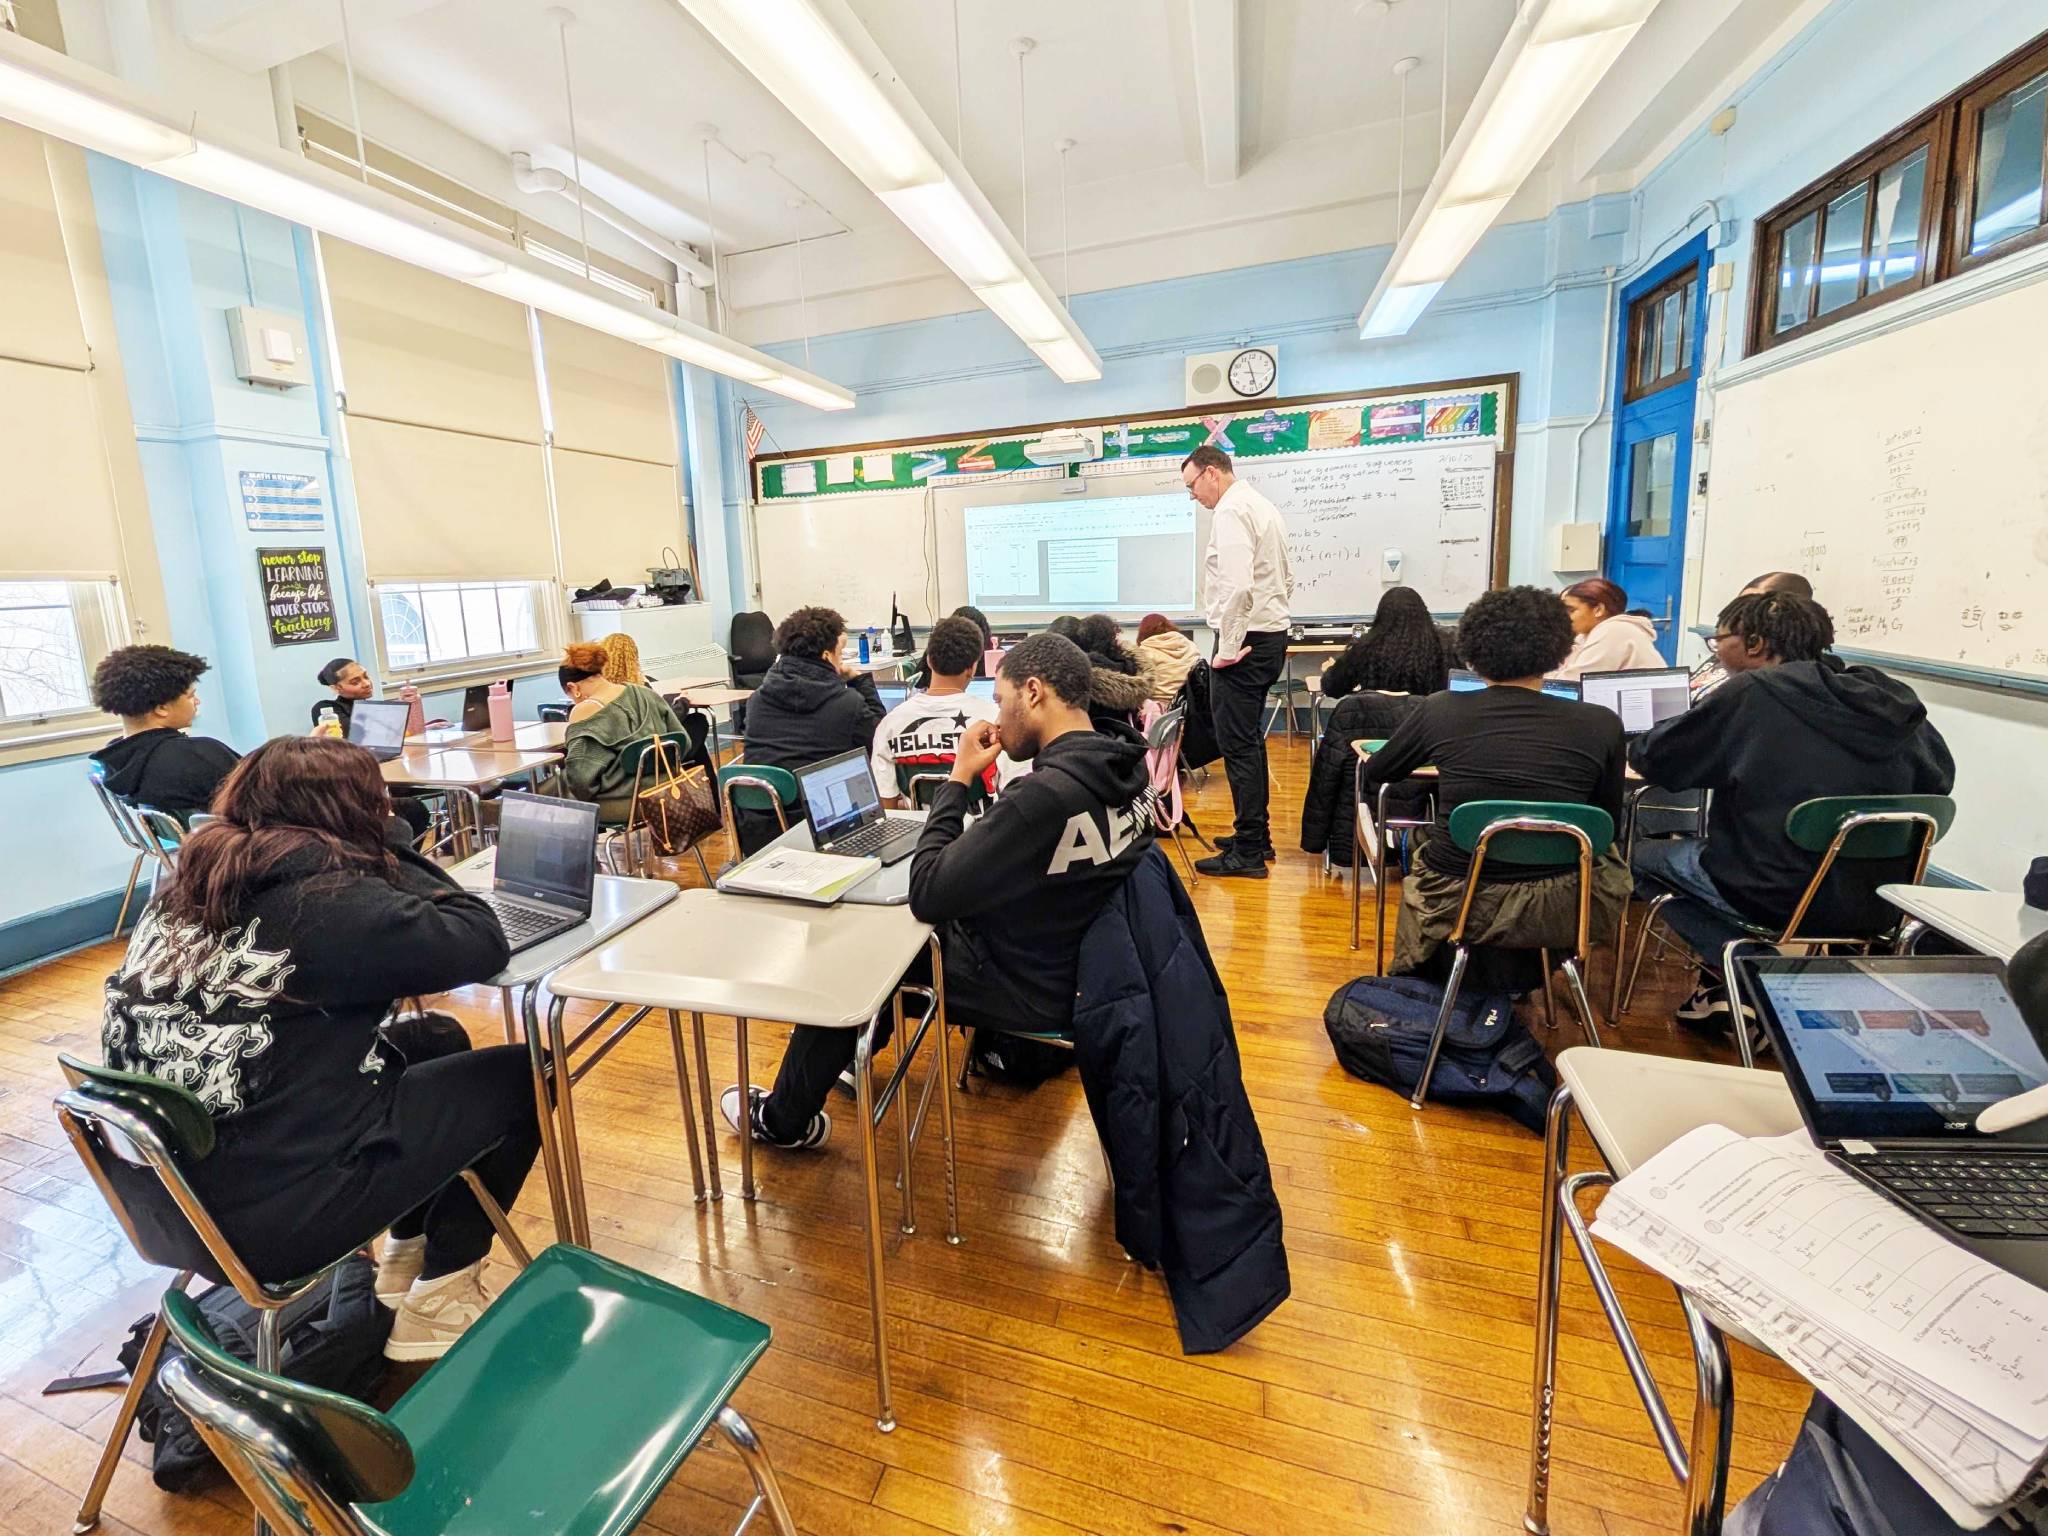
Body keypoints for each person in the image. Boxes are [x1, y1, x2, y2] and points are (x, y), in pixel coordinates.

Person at [100, 736, 533, 1361]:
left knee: (437, 1037)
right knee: (521, 1077)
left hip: (173, 1193)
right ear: (357, 813)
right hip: (277, 1217)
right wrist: (386, 846)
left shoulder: (187, 884)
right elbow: (479, 938)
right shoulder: (329, 905)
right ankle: (440, 1302)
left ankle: (405, 1256)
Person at [724, 633, 1155, 1147]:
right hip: (1086, 970)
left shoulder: (1044, 797)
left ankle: (783, 1121)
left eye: (1000, 699)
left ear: (1034, 692)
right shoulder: (1122, 766)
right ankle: (855, 1044)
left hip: (1031, 987)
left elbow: (927, 890)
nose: (996, 716)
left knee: (858, 958)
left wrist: (958, 778)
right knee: (892, 941)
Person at [1630, 592, 1955, 1026]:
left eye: (1718, 640)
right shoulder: (1890, 700)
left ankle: (1747, 967)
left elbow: (1656, 759)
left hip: (1770, 891)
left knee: (1632, 856)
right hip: (1879, 898)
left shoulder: (1752, 692)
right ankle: (1724, 986)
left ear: (1755, 645)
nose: (1716, 650)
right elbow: (1940, 779)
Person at [1359, 587, 1630, 994]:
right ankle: (1524, 979)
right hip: (1565, 900)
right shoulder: (1603, 722)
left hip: (1457, 894)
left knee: (1417, 839)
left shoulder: (1441, 709)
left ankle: (1435, 978)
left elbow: (1379, 771)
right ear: (1558, 648)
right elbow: (1607, 820)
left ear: (1472, 650)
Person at [1184, 445, 1294, 878]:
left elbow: (1238, 587)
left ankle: (1247, 852)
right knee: (1249, 742)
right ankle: (1256, 837)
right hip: (1269, 636)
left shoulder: (1231, 511)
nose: (1193, 496)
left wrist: (1227, 649)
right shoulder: (1262, 506)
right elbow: (1283, 578)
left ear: (1213, 473)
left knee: (1237, 747)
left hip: (1243, 644)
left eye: (1193, 485)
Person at [736, 605, 887, 852]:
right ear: (827, 656)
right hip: (829, 831)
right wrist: (859, 680)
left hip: (758, 832)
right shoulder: (847, 704)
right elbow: (881, 740)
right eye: (840, 651)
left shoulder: (757, 701)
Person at [89, 645, 241, 823]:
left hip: (192, 843)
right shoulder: (198, 756)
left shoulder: (117, 762)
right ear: (161, 708)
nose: (197, 701)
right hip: (234, 845)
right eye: (191, 696)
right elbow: (265, 797)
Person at [870, 614, 1005, 804]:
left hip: (919, 832)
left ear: (929, 661)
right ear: (972, 668)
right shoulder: (995, 719)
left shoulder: (890, 725)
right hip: (981, 830)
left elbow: (887, 804)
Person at [557, 641, 684, 821]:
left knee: (545, 795)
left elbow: (581, 782)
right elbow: (683, 741)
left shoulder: (585, 711)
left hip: (628, 803)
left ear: (573, 688)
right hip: (667, 789)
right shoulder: (645, 693)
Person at [1691, 571, 1814, 697]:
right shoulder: (1732, 648)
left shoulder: (1769, 681)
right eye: (1738, 604)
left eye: (1754, 605)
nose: (1740, 613)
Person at [1320, 586, 1451, 700]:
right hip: (1426, 724)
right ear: (1424, 614)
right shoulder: (1442, 647)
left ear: (1381, 616)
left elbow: (1332, 688)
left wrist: (1331, 671)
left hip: (1374, 724)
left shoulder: (1365, 648)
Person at [1553, 578, 1664, 680]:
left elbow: (1573, 681)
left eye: (1571, 610)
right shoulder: (1586, 634)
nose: (1564, 616)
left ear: (1598, 610)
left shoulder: (1614, 631)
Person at [1073, 613, 1151, 730]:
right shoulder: (1130, 667)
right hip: (1129, 737)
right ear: (1113, 636)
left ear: (1084, 638)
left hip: (1090, 738)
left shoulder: (1082, 670)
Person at [1134, 613, 1201, 704]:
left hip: (1159, 709)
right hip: (1190, 705)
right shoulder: (1190, 645)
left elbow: (1137, 688)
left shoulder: (1143, 652)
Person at [312, 656, 374, 733]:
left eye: (366, 676)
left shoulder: (370, 708)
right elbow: (356, 735)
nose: (367, 684)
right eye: (355, 682)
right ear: (336, 688)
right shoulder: (325, 708)